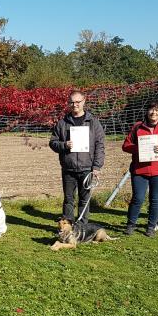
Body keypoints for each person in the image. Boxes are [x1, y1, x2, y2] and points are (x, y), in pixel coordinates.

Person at [121, 101, 158, 237]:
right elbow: (125, 146)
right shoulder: (138, 127)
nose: (154, 113)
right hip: (140, 171)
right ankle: (130, 225)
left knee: (155, 200)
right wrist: (139, 148)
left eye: (157, 110)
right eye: (151, 110)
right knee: (138, 198)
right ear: (147, 111)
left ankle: (151, 227)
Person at [48, 91, 105, 224]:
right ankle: (67, 225)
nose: (75, 105)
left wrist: (97, 166)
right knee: (68, 199)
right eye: (72, 102)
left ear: (84, 101)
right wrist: (64, 145)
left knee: (84, 199)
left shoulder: (93, 123)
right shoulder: (62, 123)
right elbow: (52, 143)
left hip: (87, 168)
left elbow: (100, 145)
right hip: (68, 168)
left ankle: (82, 225)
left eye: (78, 102)